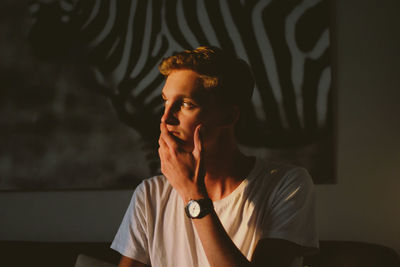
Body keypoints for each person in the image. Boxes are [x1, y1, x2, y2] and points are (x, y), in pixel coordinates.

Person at [111, 46, 318, 267]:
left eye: (186, 104)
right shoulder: (150, 194)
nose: (166, 118)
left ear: (228, 116)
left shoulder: (287, 184)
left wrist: (193, 195)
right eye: (165, 101)